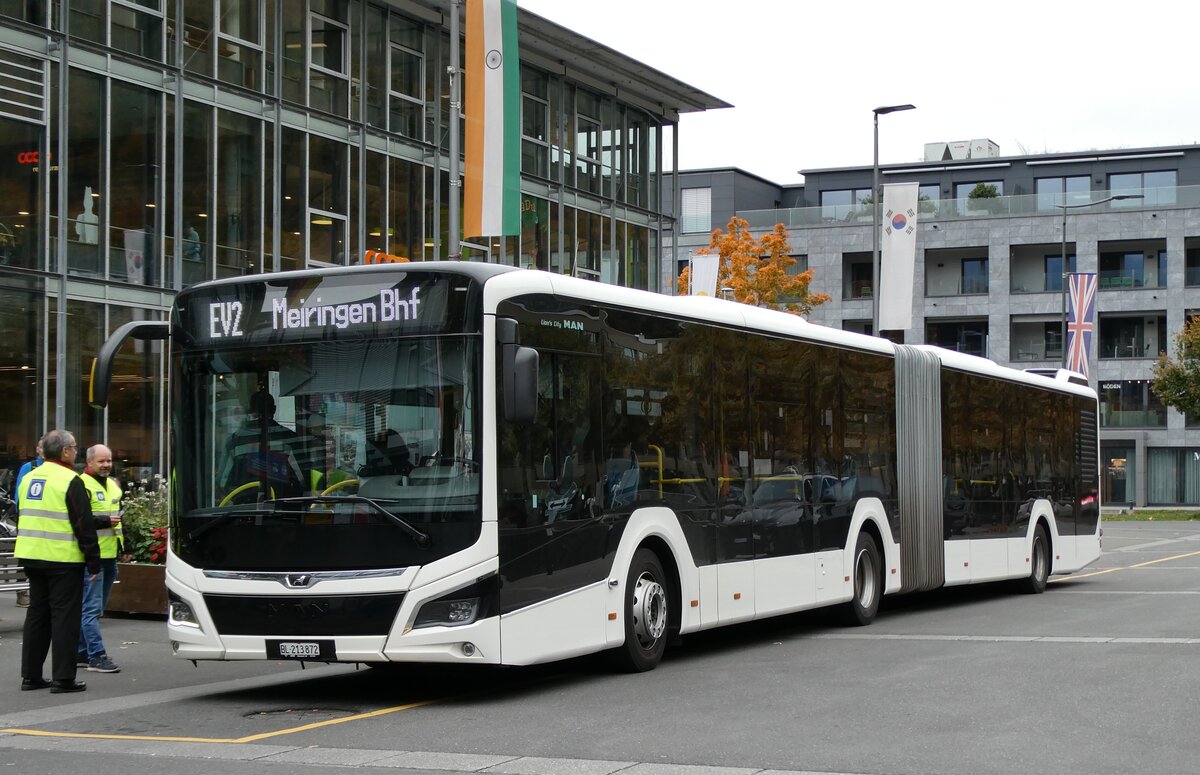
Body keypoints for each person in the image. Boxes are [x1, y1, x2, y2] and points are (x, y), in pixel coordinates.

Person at [15, 430, 100, 693]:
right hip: (62, 558)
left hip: (31, 555)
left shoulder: (29, 478)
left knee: (37, 616)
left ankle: (31, 676)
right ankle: (64, 678)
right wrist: (93, 561)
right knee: (65, 618)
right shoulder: (70, 480)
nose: (76, 451)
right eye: (74, 447)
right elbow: (83, 524)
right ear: (64, 452)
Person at [76, 444, 125, 674]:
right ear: (90, 462)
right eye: (101, 461)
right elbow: (79, 521)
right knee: (92, 610)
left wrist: (126, 545)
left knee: (96, 608)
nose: (106, 465)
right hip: (92, 557)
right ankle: (96, 655)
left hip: (109, 554)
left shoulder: (112, 486)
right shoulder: (81, 484)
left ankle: (82, 653)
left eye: (109, 460)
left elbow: (119, 520)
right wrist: (106, 521)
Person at [12, 441, 41, 609]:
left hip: (47, 522)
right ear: (38, 449)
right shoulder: (29, 467)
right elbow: (19, 493)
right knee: (25, 553)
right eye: (40, 447)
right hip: (28, 520)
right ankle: (21, 591)